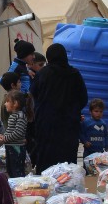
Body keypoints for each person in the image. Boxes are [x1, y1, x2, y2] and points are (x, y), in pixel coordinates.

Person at [32, 43, 89, 172]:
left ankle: (46, 186)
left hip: (47, 124)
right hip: (68, 124)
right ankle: (67, 187)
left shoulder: (43, 74)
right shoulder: (74, 74)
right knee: (67, 160)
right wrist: (73, 110)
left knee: (47, 158)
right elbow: (83, 98)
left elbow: (34, 93)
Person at [0, 90, 28, 178]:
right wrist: (4, 136)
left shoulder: (20, 115)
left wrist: (5, 139)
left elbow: (18, 133)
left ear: (15, 103)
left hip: (16, 148)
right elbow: (11, 131)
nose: (5, 104)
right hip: (11, 147)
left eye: (7, 101)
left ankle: (19, 188)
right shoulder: (13, 115)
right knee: (10, 170)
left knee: (17, 171)